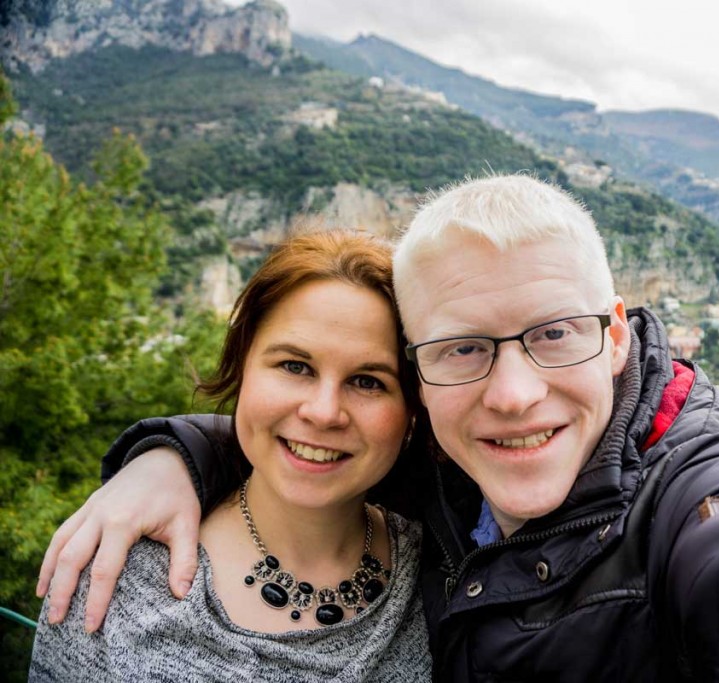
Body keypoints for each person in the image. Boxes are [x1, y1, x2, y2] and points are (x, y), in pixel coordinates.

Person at [39, 176, 719, 681]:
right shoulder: (423, 472)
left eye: (553, 335)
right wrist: (171, 447)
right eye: (463, 348)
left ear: (612, 335)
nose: (512, 394)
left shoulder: (696, 510)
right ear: (427, 379)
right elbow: (310, 435)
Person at [31, 229, 433, 681]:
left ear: (414, 409)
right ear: (242, 366)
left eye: (367, 381)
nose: (323, 413)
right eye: (295, 366)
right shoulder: (114, 569)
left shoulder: (446, 568)